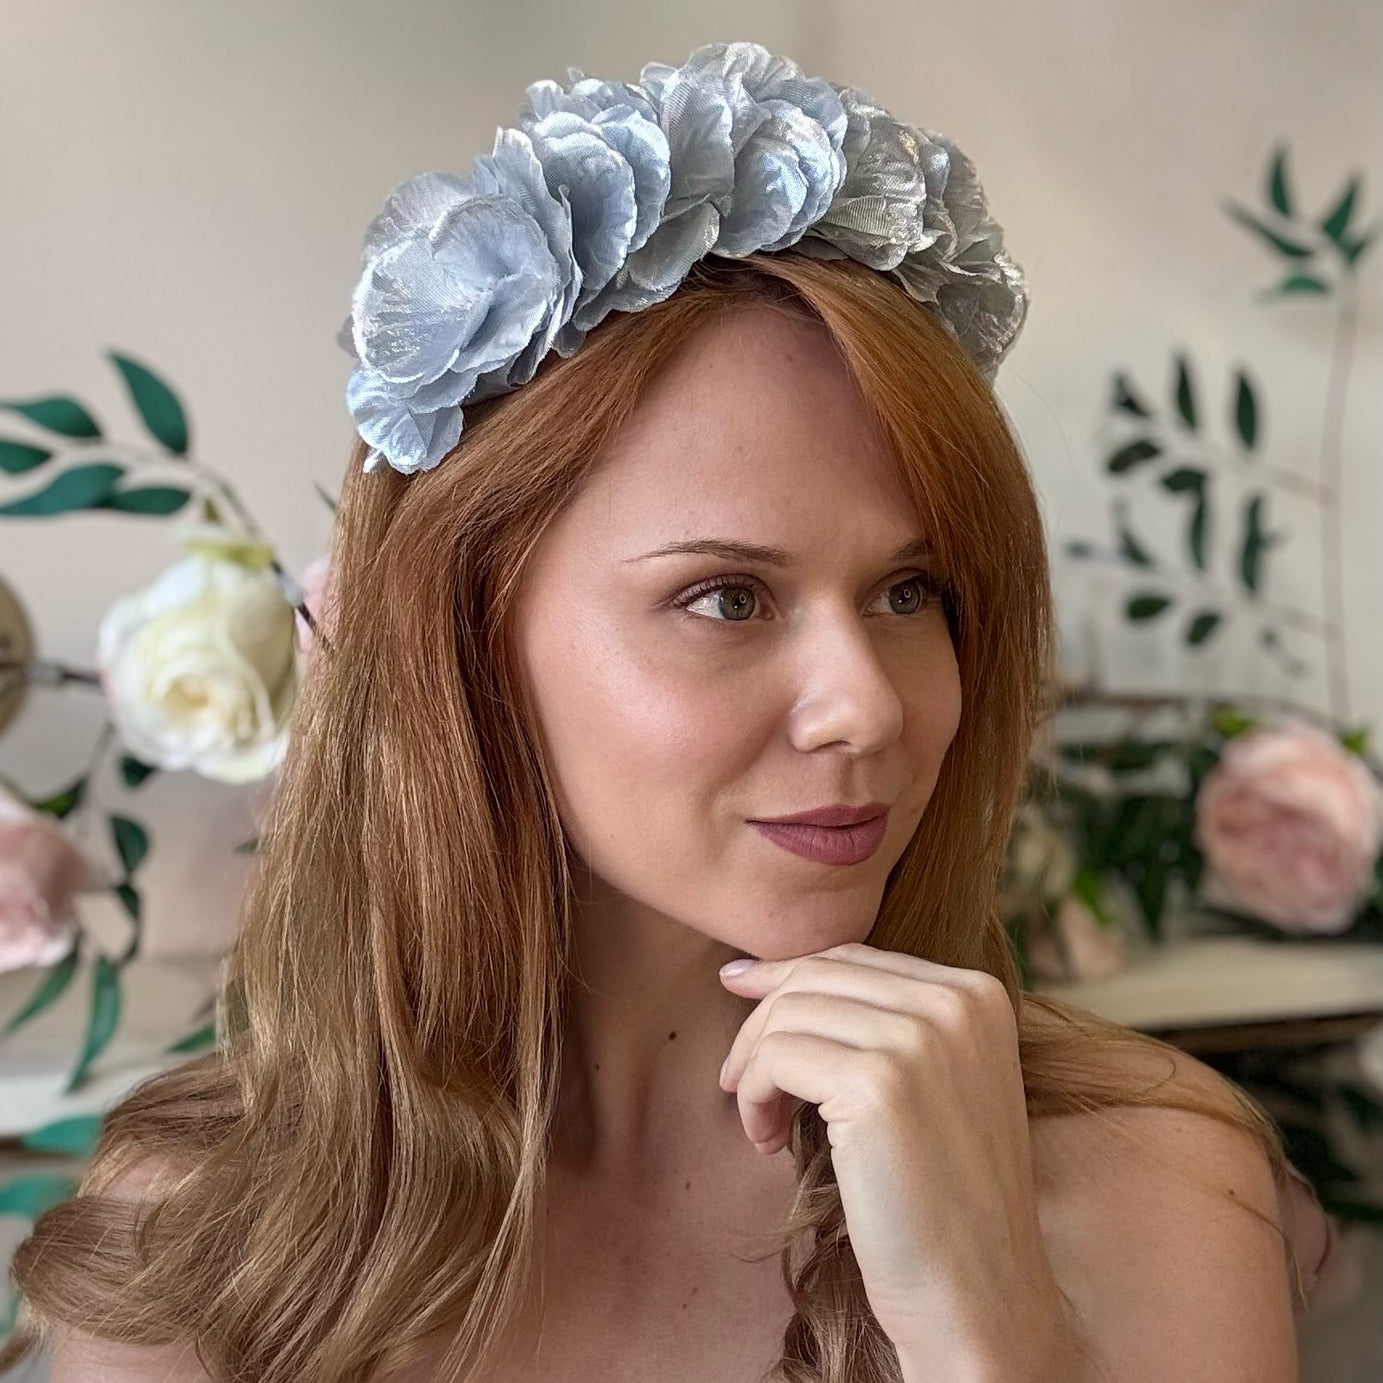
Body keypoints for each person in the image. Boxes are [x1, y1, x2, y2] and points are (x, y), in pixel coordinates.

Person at [1, 40, 1336, 1383]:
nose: (867, 705)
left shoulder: (1154, 1186)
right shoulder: (209, 1238)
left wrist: (992, 1333)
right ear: (461, 644)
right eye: (728, 600)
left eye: (911, 591)